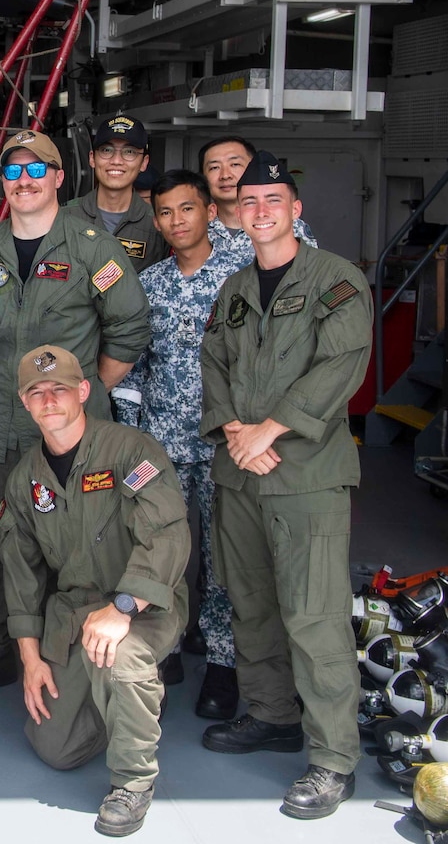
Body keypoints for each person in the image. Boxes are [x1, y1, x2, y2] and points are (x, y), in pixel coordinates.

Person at [0, 130, 151, 702]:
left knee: (81, 543)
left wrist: (85, 393)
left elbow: (130, 328)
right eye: (13, 172)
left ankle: (69, 655)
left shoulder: (93, 249)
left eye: (38, 170)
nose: (25, 181)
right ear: (3, 183)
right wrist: (9, 383)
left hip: (76, 431)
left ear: (60, 178)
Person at [198, 151, 371, 820]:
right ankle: (272, 715)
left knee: (315, 614)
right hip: (240, 473)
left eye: (274, 199)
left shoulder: (337, 280)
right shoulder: (235, 289)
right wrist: (236, 432)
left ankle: (333, 758)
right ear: (238, 216)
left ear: (296, 209)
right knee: (252, 604)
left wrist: (270, 430)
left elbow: (343, 364)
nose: (261, 210)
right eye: (251, 201)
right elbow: (212, 362)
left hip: (306, 478)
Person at [2, 346, 190, 838]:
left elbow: (168, 535)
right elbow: (21, 575)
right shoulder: (26, 479)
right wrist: (31, 659)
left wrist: (124, 607)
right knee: (54, 748)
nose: (49, 400)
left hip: (143, 603)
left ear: (83, 392)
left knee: (121, 657)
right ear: (25, 403)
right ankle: (137, 699)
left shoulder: (131, 451)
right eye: (37, 392)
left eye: (60, 388)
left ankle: (133, 782)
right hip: (75, 615)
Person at [111, 171, 241, 719]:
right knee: (158, 549)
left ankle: (222, 663)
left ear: (210, 212)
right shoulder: (152, 282)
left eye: (187, 209)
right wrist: (131, 433)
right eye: (165, 212)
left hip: (223, 442)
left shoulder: (241, 277)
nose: (176, 221)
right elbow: (135, 365)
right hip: (162, 443)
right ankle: (159, 653)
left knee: (220, 556)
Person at [62, 114, 168, 273]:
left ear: (144, 163)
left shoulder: (159, 226)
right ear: (92, 158)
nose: (116, 160)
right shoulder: (63, 217)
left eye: (129, 152)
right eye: (106, 150)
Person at [198, 135, 318, 254]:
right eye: (214, 167)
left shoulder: (289, 226)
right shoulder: (194, 228)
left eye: (235, 164)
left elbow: (309, 269)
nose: (225, 175)